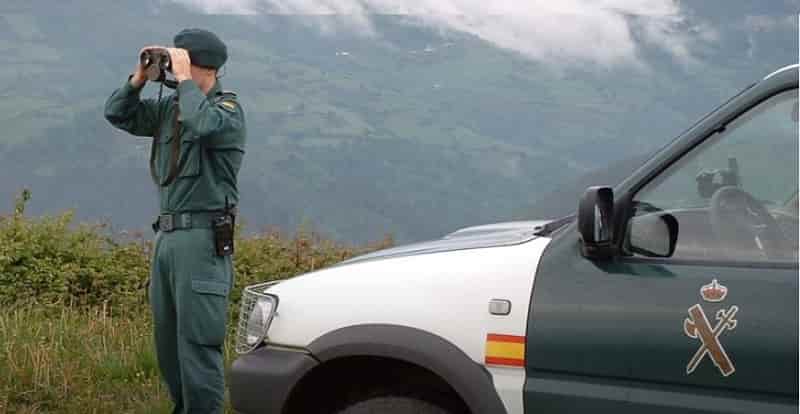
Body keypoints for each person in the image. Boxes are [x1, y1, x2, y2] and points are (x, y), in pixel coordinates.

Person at [104, 28, 246, 413]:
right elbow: (118, 114)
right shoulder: (172, 109)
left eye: (181, 59)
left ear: (204, 66)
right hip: (167, 239)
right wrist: (138, 79)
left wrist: (184, 81)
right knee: (168, 344)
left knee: (198, 344)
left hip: (202, 240)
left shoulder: (226, 111)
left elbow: (203, 126)